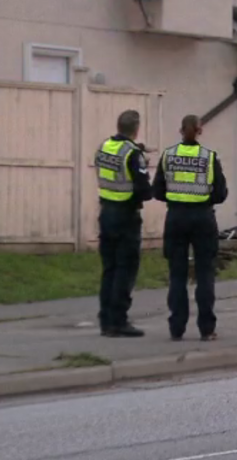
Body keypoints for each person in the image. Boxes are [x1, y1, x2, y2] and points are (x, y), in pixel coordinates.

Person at [152, 114, 228, 342]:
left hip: (176, 217)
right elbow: (221, 193)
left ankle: (176, 328)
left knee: (177, 274)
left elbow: (157, 190)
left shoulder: (168, 156)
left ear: (180, 130)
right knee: (205, 273)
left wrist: (177, 197)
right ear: (199, 130)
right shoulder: (209, 157)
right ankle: (206, 329)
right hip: (203, 218)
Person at [95, 110, 152, 338]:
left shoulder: (105, 146)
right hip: (126, 216)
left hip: (106, 212)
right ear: (136, 129)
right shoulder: (133, 154)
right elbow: (144, 190)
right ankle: (119, 321)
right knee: (125, 270)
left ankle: (106, 320)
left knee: (109, 269)